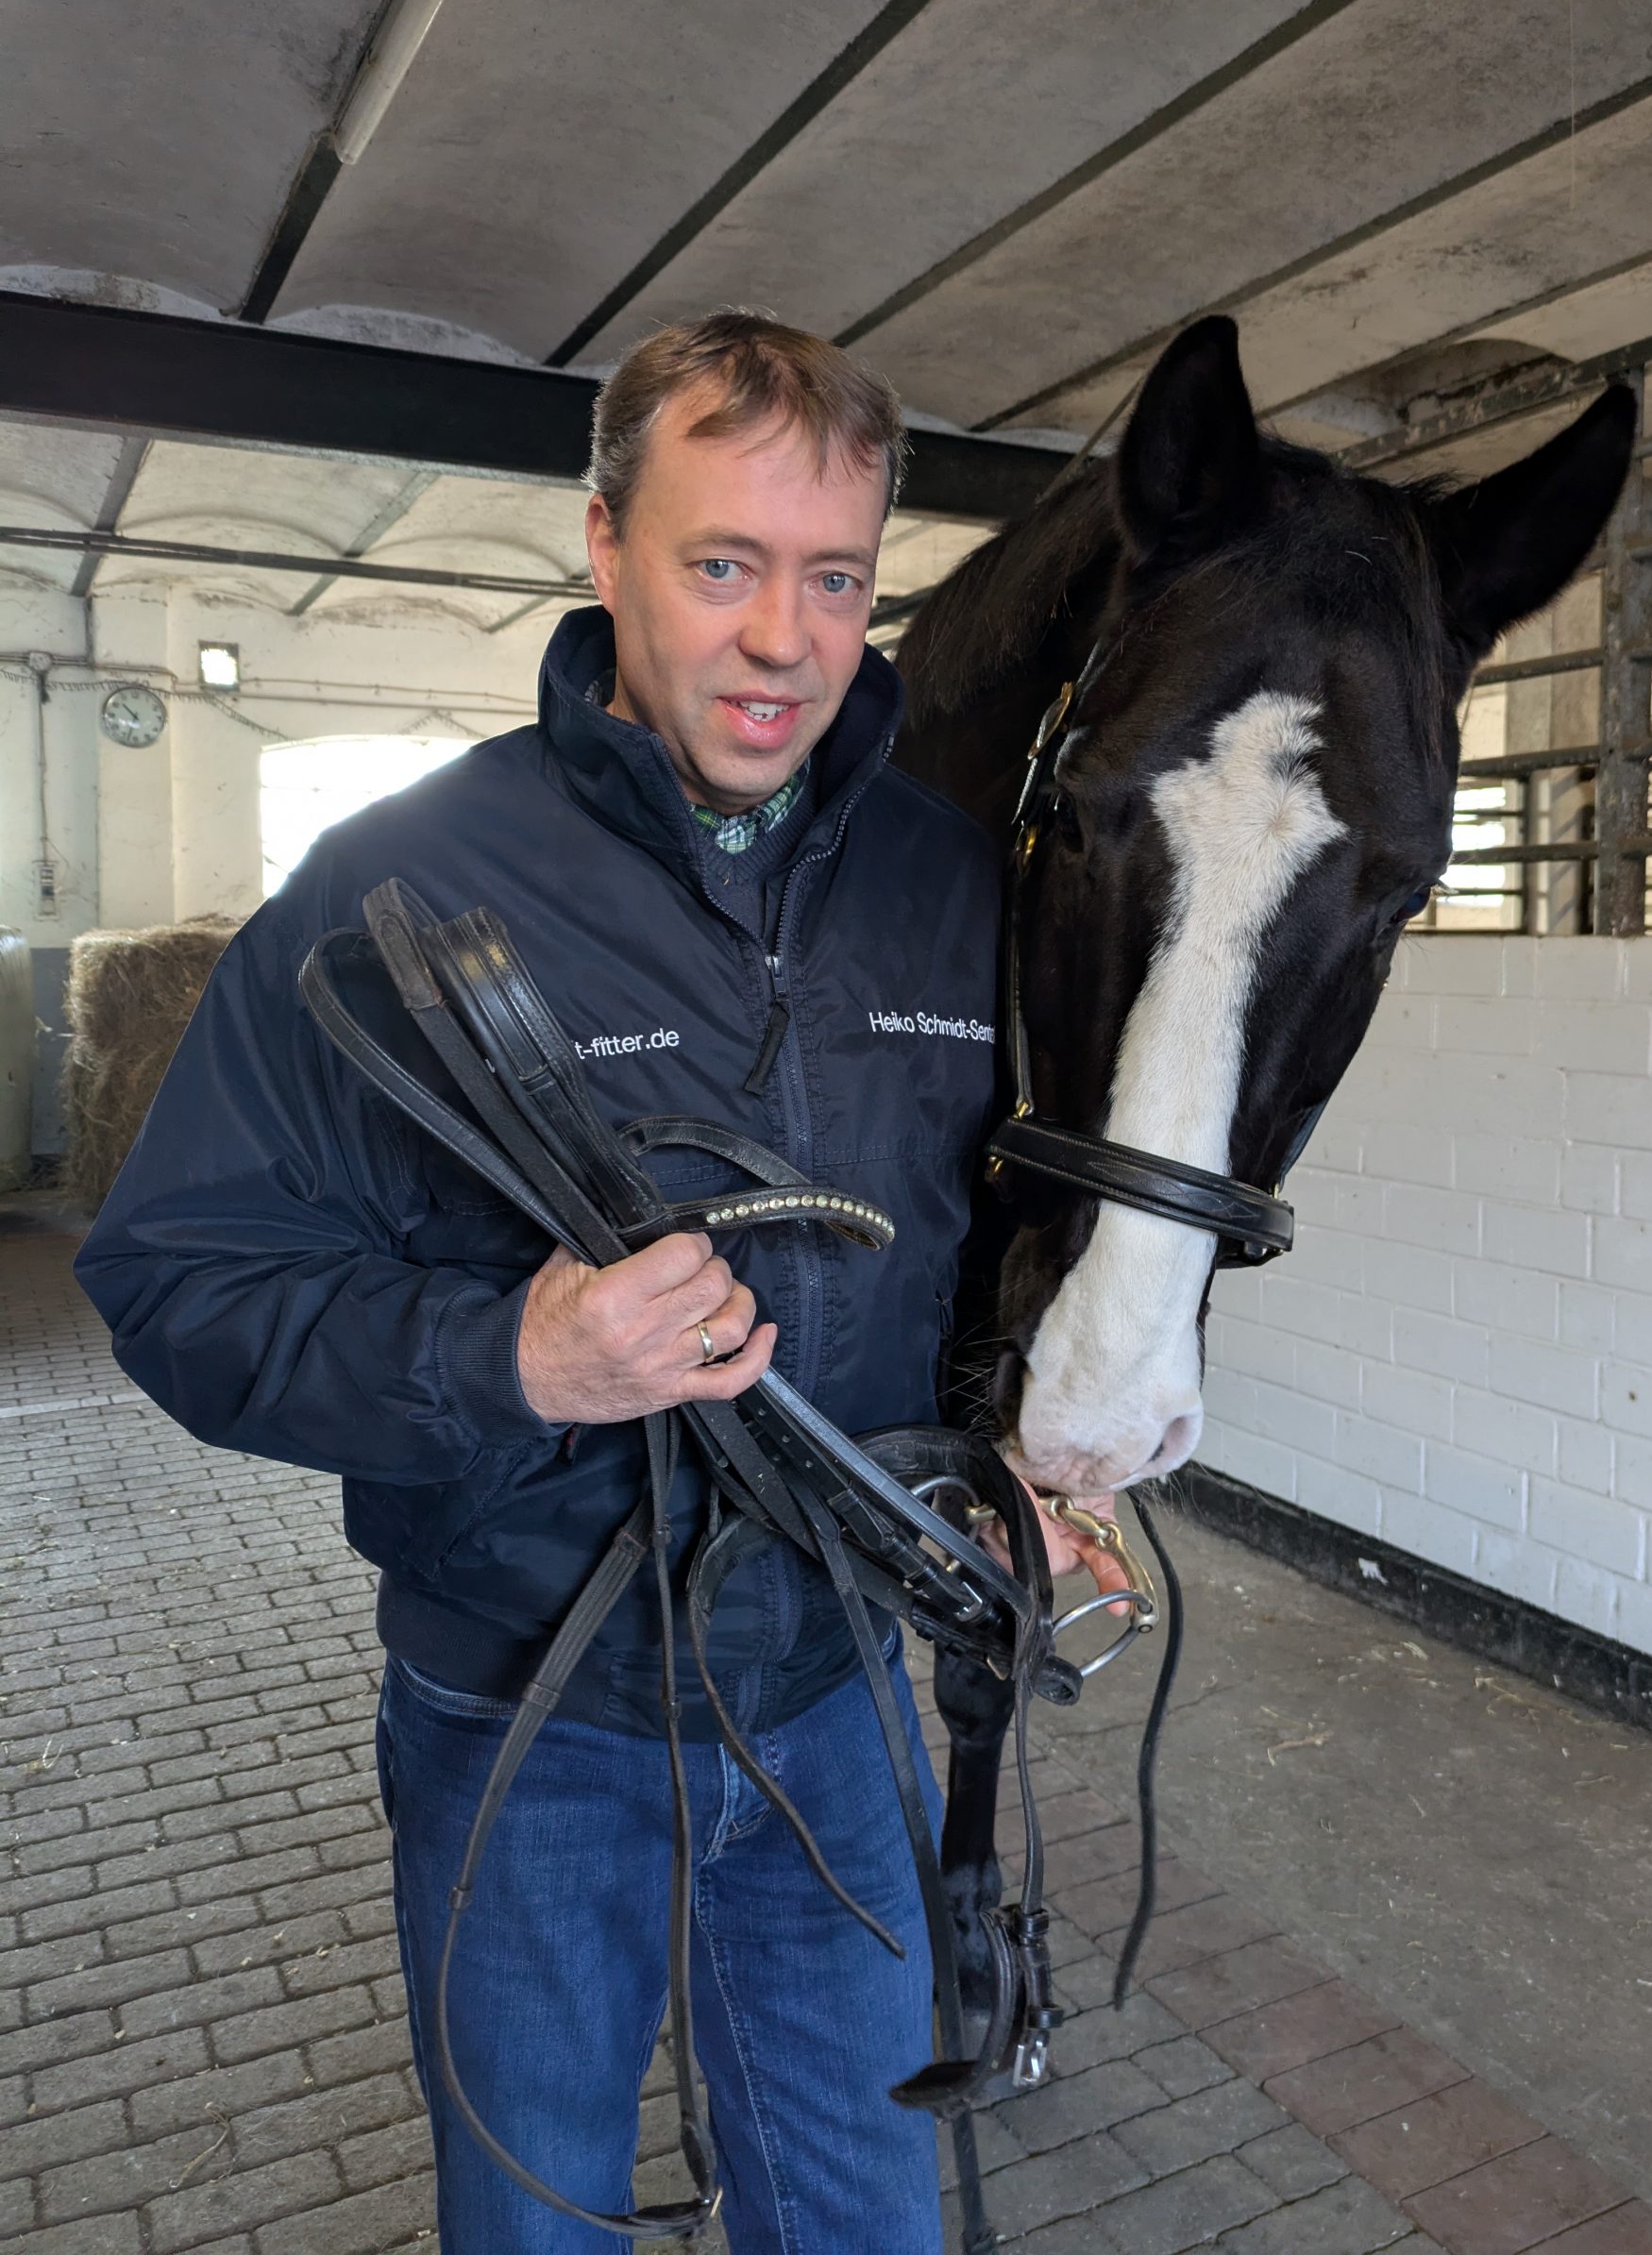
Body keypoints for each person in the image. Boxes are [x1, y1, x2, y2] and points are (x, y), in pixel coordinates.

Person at [76, 311, 1113, 2255]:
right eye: (722, 564)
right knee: (538, 2217)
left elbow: (976, 1251)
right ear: (605, 546)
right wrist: (510, 1353)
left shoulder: (942, 880)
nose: (783, 639)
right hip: (526, 1721)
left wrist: (1029, 1461)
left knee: (869, 2213)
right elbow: (175, 1271)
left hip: (834, 1693)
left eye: (832, 578)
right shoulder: (404, 886)